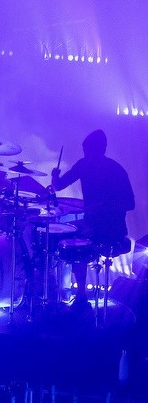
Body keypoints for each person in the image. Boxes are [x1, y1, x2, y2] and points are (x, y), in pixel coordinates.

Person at [51, 129, 136, 307]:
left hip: (97, 227)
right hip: (118, 229)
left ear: (88, 150)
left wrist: (54, 176)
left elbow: (58, 186)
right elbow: (130, 204)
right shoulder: (118, 168)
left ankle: (79, 292)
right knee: (74, 230)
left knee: (68, 235)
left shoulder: (84, 164)